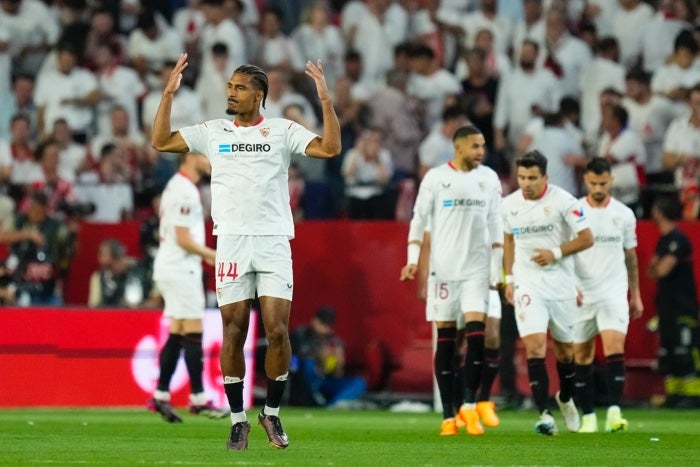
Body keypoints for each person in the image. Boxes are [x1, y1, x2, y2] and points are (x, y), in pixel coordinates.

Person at [150, 53, 341, 450]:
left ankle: (270, 413)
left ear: (259, 95)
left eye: (239, 88)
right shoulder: (214, 131)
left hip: (272, 243)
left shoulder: (283, 131)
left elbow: (330, 149)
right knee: (233, 331)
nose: (231, 93)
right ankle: (238, 421)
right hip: (232, 243)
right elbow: (161, 141)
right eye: (229, 87)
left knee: (277, 330)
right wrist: (167, 95)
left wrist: (325, 99)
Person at [400, 125, 503, 437]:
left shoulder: (489, 178)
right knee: (446, 343)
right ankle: (448, 416)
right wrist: (412, 260)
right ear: (459, 148)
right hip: (444, 272)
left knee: (476, 336)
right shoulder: (435, 178)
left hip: (477, 271)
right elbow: (418, 220)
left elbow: (497, 223)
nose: (481, 152)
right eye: (475, 146)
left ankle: (469, 406)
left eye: (482, 146)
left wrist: (497, 270)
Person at [501, 150, 594, 435]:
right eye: (521, 177)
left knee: (566, 352)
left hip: (561, 285)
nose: (525, 183)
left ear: (545, 178)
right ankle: (544, 414)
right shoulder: (507, 205)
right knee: (535, 347)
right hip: (529, 285)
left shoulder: (564, 201)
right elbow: (508, 240)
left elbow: (587, 238)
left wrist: (555, 253)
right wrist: (508, 278)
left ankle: (565, 398)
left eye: (532, 178)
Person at [147, 152, 228, 423]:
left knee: (179, 332)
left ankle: (160, 394)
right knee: (193, 331)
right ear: (191, 156)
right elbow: (182, 237)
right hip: (181, 269)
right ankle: (199, 398)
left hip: (172, 266)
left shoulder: (176, 186)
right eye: (206, 155)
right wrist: (211, 254)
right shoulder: (185, 191)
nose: (210, 160)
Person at [573, 158, 644, 433]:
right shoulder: (575, 211)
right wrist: (570, 286)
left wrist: (634, 294)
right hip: (582, 293)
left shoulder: (624, 214)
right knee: (582, 355)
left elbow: (631, 257)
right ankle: (588, 415)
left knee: (615, 348)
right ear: (586, 181)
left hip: (613, 292)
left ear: (611, 181)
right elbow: (566, 254)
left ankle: (614, 412)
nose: (598, 188)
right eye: (593, 183)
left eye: (603, 183)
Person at [648, 195, 700, 408]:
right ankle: (675, 394)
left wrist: (657, 267)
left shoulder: (678, 239)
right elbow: (652, 272)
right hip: (667, 306)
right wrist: (656, 268)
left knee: (683, 350)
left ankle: (693, 395)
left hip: (682, 306)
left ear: (660, 211)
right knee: (668, 351)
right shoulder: (663, 241)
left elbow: (660, 269)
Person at [289, 306, 366, 408]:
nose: (326, 329)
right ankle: (315, 401)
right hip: (303, 384)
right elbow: (292, 363)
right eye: (323, 324)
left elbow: (338, 374)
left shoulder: (334, 341)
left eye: (329, 325)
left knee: (359, 383)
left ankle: (333, 406)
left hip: (324, 382)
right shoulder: (300, 334)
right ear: (315, 321)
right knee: (309, 364)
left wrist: (338, 364)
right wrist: (317, 356)